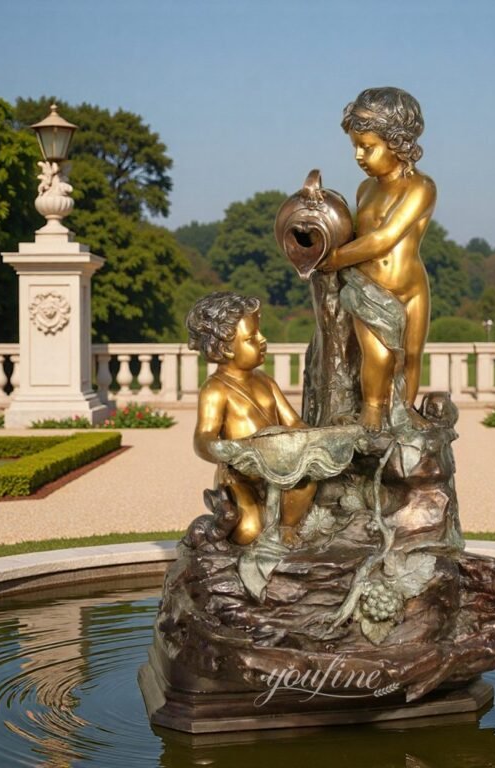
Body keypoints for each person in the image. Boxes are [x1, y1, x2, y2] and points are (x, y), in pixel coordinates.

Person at [320, 87, 436, 432]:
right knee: (380, 355)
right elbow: (356, 236)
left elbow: (385, 239)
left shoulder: (421, 187)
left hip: (412, 288)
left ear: (398, 143)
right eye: (355, 146)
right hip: (369, 288)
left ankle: (405, 409)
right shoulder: (364, 190)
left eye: (367, 147)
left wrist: (334, 258)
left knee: (411, 356)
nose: (358, 155)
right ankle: (372, 411)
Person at [187, 292, 315, 544]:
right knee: (248, 531)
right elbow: (203, 437)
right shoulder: (216, 389)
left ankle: (287, 529)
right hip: (239, 475)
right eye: (251, 338)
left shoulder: (266, 381)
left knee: (305, 483)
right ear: (225, 348)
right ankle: (215, 522)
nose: (262, 340)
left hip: (276, 468)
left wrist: (309, 437)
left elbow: (294, 422)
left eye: (259, 333)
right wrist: (225, 450)